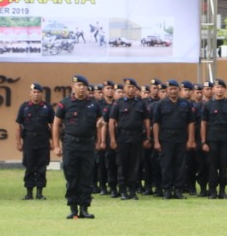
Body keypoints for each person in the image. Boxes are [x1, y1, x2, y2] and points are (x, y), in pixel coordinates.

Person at [53, 74, 104, 218]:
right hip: (70, 144)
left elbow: (100, 124)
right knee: (71, 177)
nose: (81, 88)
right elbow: (56, 124)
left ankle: (85, 208)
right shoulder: (65, 103)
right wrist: (56, 146)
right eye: (79, 85)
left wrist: (99, 141)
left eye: (84, 86)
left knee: (86, 178)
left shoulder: (94, 104)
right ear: (73, 87)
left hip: (88, 144)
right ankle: (73, 208)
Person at [152, 79, 196, 199]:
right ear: (167, 90)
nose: (173, 91)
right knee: (166, 165)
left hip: (181, 138)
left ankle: (178, 190)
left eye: (175, 89)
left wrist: (190, 139)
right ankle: (167, 190)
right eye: (170, 89)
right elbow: (156, 123)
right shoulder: (160, 104)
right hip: (166, 138)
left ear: (179, 90)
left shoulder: (186, 104)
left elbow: (191, 123)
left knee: (180, 165)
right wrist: (156, 141)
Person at [108, 78, 150, 200]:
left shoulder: (141, 103)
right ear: (124, 89)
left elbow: (146, 122)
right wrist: (112, 139)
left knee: (135, 165)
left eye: (133, 87)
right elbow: (111, 122)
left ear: (136, 89)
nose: (130, 89)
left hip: (137, 137)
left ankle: (132, 190)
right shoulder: (118, 103)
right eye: (128, 87)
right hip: (122, 137)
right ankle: (123, 190)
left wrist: (148, 137)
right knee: (122, 165)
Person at [200, 79, 227, 199]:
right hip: (212, 139)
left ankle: (222, 191)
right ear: (213, 89)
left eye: (222, 87)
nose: (220, 89)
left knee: (224, 165)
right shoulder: (208, 105)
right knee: (212, 165)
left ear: (225, 89)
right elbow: (203, 124)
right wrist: (203, 142)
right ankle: (212, 191)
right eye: (217, 87)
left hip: (225, 139)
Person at [16, 83, 54, 200]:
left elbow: (53, 125)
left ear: (42, 94)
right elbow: (18, 126)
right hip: (29, 140)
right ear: (30, 93)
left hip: (43, 140)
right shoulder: (24, 107)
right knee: (29, 166)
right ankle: (29, 192)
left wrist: (53, 141)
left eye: (38, 92)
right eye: (34, 92)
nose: (36, 95)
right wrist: (18, 142)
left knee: (42, 167)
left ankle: (40, 192)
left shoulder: (47, 108)